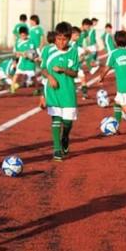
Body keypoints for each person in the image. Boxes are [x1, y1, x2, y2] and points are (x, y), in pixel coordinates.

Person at [40, 22, 79, 161]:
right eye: (58, 39)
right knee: (56, 118)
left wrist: (63, 70)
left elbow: (75, 73)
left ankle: (65, 136)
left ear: (69, 39)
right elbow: (43, 68)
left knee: (67, 122)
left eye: (64, 39)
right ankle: (57, 149)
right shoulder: (47, 50)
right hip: (53, 91)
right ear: (55, 37)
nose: (61, 42)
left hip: (68, 92)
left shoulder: (73, 52)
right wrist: (50, 77)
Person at [11, 26, 37, 92]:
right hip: (21, 62)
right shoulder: (17, 42)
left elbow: (33, 52)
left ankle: (37, 89)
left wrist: (28, 54)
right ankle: (12, 88)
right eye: (21, 35)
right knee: (16, 75)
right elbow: (16, 53)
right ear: (19, 35)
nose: (23, 36)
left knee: (33, 77)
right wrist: (15, 61)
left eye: (24, 35)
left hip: (29, 63)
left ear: (27, 34)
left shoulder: (31, 41)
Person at [38, 30, 57, 109]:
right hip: (52, 69)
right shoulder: (57, 48)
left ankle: (43, 98)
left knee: (45, 84)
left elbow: (41, 58)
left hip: (44, 68)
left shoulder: (45, 48)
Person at [70, 26, 89, 99]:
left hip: (77, 66)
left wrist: (84, 53)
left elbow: (80, 51)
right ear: (72, 34)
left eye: (79, 35)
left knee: (83, 78)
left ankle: (84, 94)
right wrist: (80, 58)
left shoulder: (75, 43)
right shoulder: (70, 44)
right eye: (77, 35)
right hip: (71, 67)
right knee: (71, 83)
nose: (78, 37)